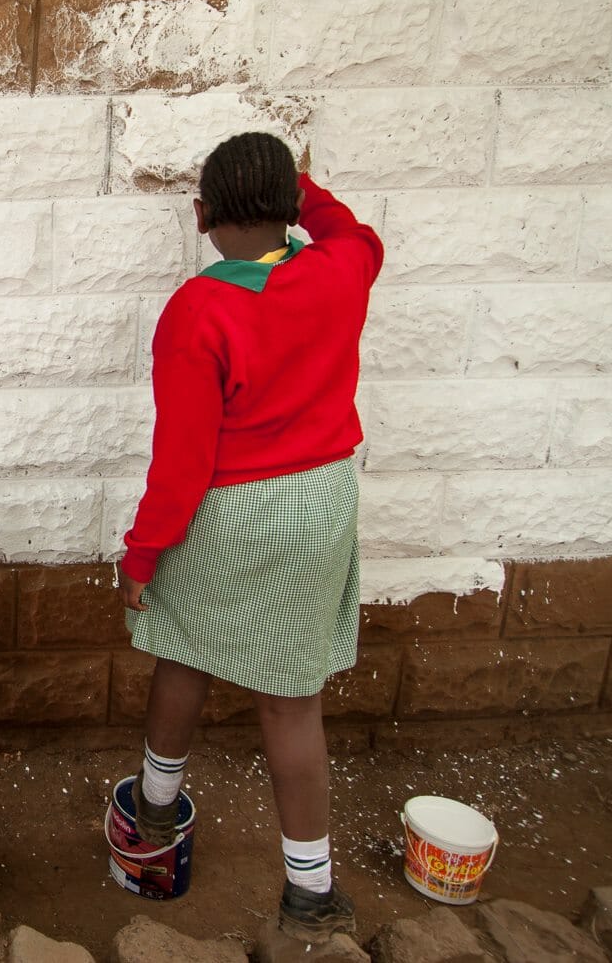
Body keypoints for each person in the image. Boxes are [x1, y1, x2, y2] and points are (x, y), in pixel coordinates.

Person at [115, 132, 383, 942]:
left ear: (201, 217)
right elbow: (357, 234)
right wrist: (297, 178)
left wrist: (143, 552)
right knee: (292, 703)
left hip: (229, 512)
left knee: (186, 649)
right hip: (318, 505)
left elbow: (184, 461)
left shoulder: (197, 311)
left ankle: (154, 816)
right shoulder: (343, 271)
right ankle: (311, 891)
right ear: (292, 209)